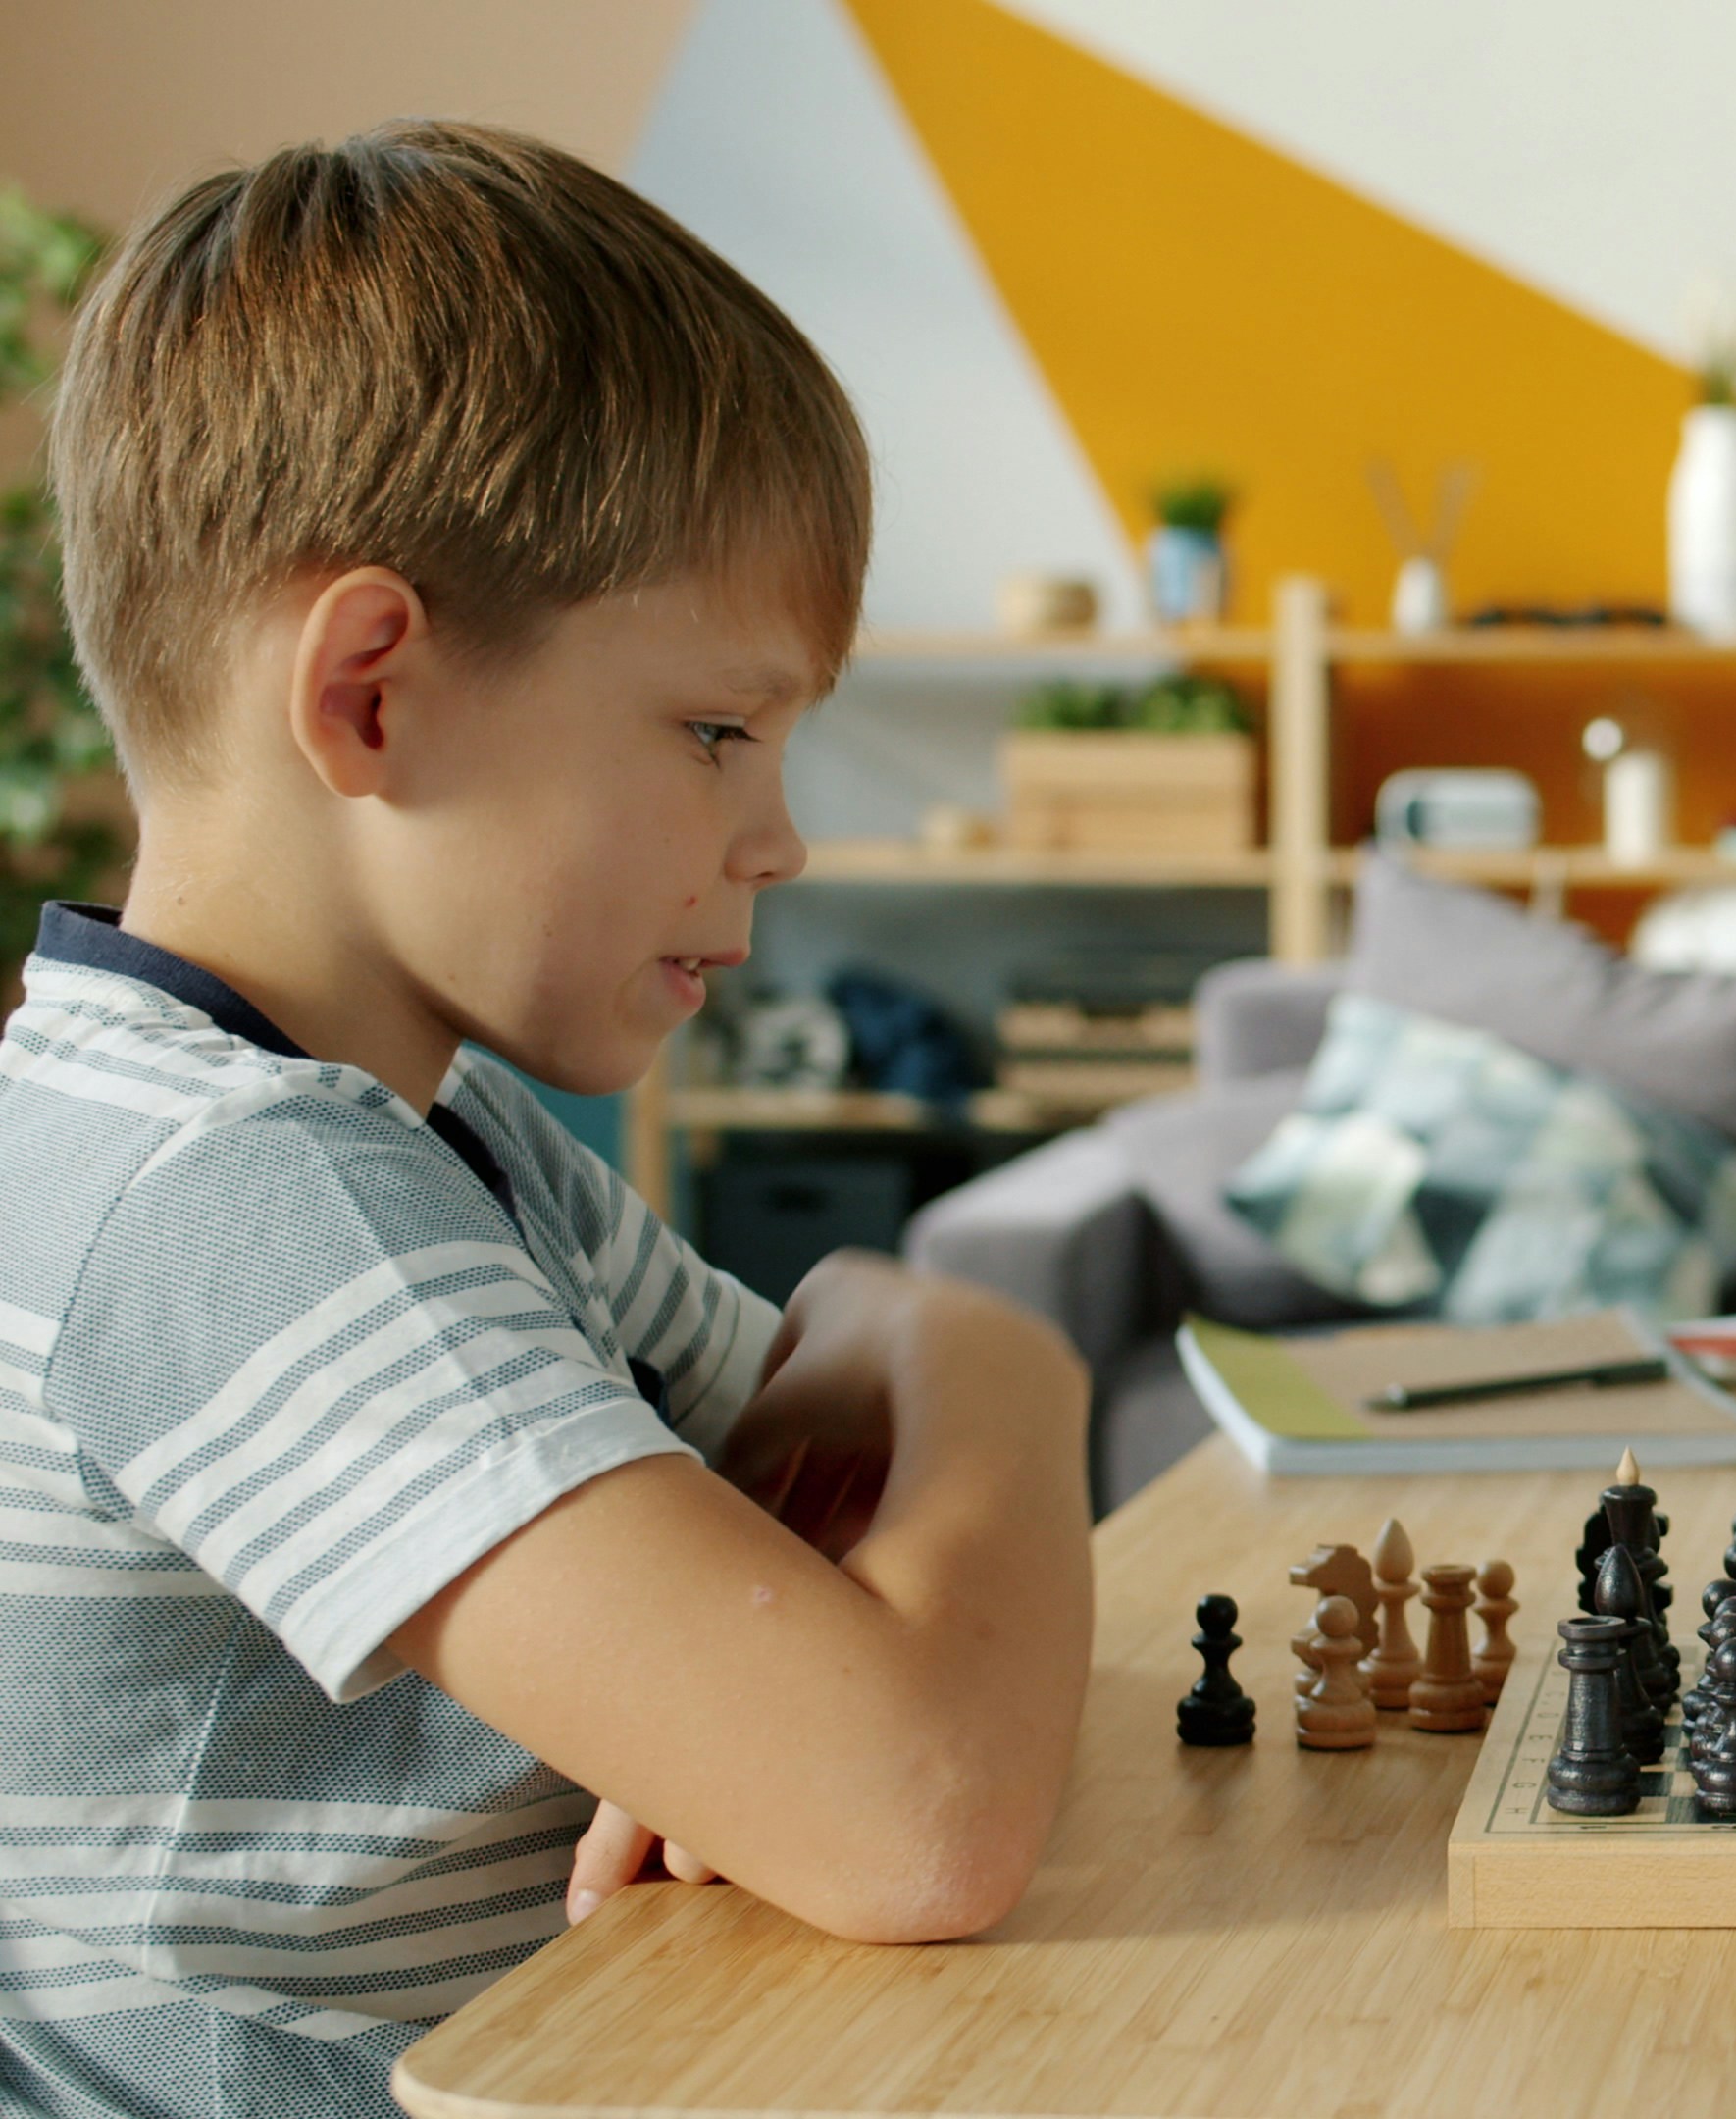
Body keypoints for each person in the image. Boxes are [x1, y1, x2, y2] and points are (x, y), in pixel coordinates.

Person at [1, 125, 1095, 2118]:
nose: (777, 839)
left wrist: (875, 1440)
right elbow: (920, 1808)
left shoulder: (449, 1136)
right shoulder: (230, 1200)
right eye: (717, 731)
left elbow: (816, 1482)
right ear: (373, 696)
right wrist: (996, 1352)